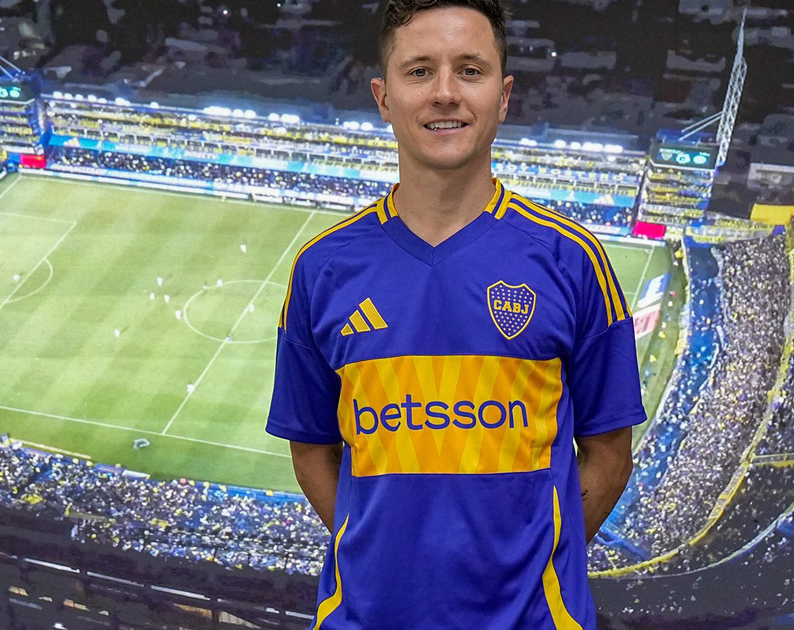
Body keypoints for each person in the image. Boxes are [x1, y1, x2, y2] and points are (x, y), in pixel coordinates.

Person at [267, 1, 643, 627]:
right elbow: (310, 449)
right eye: (419, 71)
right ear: (384, 98)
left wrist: (530, 565)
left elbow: (609, 455)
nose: (445, 92)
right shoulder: (320, 268)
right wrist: (381, 556)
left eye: (470, 70)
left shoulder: (574, 261)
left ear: (504, 96)